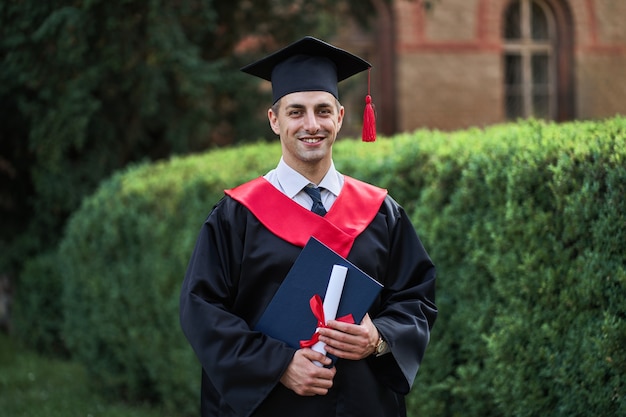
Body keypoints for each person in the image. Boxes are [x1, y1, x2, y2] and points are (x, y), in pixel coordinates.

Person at [179, 36, 437, 417]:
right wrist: (278, 365)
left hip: (363, 404)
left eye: (322, 111)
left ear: (340, 118)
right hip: (272, 406)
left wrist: (378, 337)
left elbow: (416, 297)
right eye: (296, 112)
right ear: (274, 120)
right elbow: (202, 309)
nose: (311, 125)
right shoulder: (237, 215)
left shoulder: (382, 211)